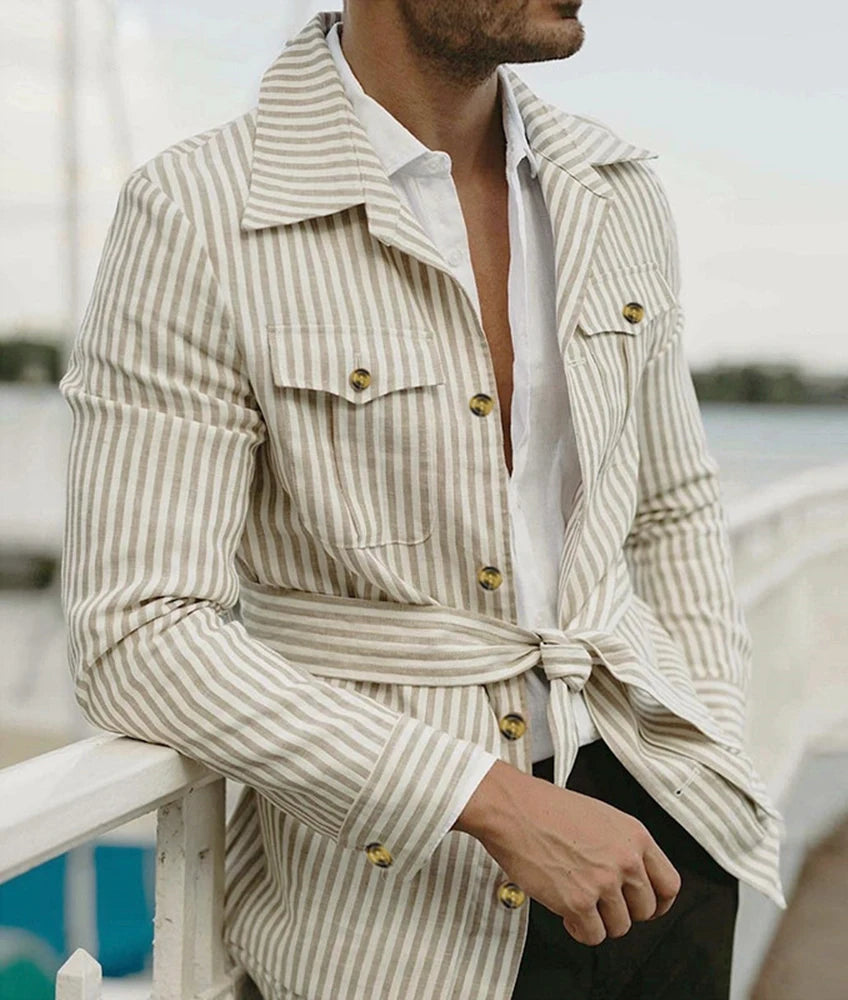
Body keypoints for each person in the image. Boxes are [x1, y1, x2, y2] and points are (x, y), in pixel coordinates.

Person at [58, 5, 785, 999]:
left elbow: (670, 505)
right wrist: (486, 799)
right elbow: (137, 633)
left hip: (655, 836)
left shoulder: (614, 189)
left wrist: (709, 747)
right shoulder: (200, 211)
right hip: (396, 906)